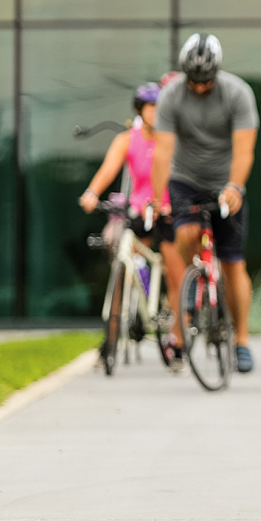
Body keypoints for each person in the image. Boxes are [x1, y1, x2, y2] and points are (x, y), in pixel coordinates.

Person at [151, 33, 260, 373]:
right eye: (194, 81)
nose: (199, 87)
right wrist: (158, 199)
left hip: (225, 181)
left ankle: (242, 341)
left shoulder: (237, 93)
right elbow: (163, 152)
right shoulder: (171, 95)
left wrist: (235, 187)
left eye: (206, 81)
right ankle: (194, 279)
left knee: (233, 263)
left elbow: (244, 150)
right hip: (185, 178)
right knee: (186, 233)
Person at [79, 82, 186, 366]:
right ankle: (110, 340)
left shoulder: (172, 139)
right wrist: (92, 193)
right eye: (150, 108)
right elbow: (108, 169)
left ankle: (177, 342)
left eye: (159, 107)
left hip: (168, 211)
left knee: (175, 275)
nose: (155, 113)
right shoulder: (127, 139)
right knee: (122, 266)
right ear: (140, 110)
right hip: (138, 211)